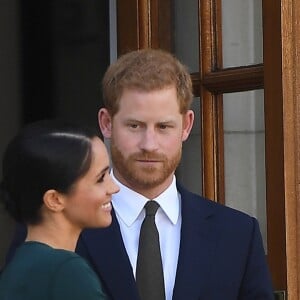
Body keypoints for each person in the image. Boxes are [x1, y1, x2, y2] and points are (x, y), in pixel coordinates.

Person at [5, 49, 274, 299]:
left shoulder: (237, 234)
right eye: (135, 125)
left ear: (186, 125)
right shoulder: (49, 229)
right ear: (106, 123)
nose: (149, 144)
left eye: (164, 126)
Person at [0, 119, 119, 300]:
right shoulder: (66, 270)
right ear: (54, 200)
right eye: (100, 178)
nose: (114, 188)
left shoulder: (18, 266)